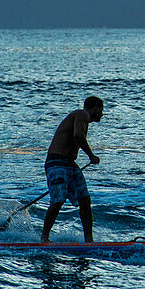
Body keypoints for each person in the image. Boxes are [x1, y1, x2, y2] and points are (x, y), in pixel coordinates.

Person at [41, 96, 103, 243]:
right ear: (95, 108)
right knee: (58, 201)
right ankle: (44, 238)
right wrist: (91, 156)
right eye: (101, 109)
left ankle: (89, 240)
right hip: (57, 163)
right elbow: (78, 136)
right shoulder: (82, 114)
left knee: (85, 200)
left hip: (70, 164)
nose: (102, 114)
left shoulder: (83, 118)